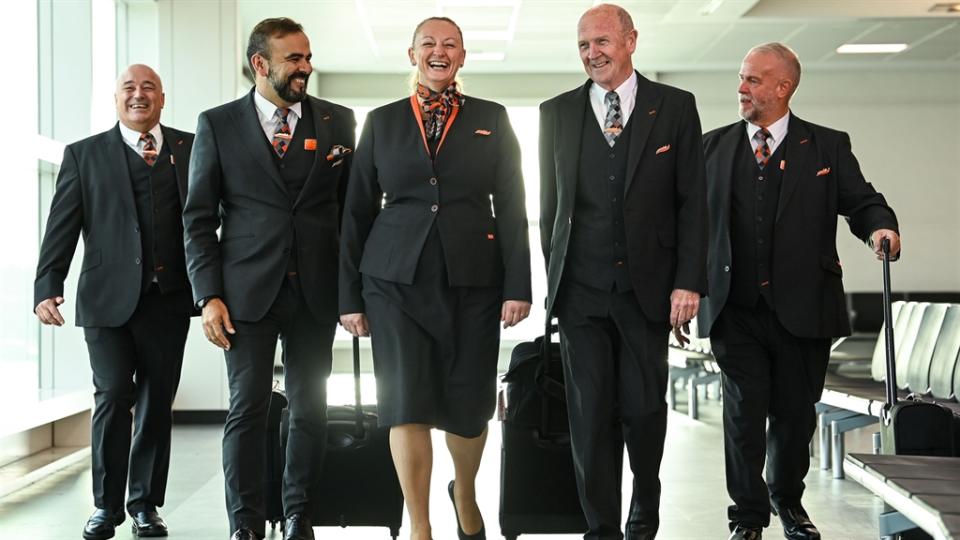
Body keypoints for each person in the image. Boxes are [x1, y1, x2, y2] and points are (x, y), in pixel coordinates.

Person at [697, 43, 901, 540]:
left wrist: (881, 229)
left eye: (752, 80)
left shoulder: (827, 147)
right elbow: (685, 225)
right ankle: (746, 518)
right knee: (744, 414)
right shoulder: (711, 147)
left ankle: (786, 500)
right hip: (734, 307)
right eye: (741, 79)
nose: (741, 89)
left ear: (782, 87)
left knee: (793, 417)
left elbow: (863, 201)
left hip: (805, 308)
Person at [339, 16, 532, 540]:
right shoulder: (381, 122)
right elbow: (355, 212)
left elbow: (512, 206)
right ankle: (420, 526)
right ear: (412, 55)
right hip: (392, 282)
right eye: (429, 44)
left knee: (469, 405)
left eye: (450, 45)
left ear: (463, 57)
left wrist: (519, 285)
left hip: (474, 280)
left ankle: (464, 491)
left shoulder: (492, 117)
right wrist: (348, 297)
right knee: (406, 403)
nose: (439, 52)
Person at [182, 17, 356, 540]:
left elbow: (351, 215)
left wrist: (354, 294)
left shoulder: (338, 121)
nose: (306, 67)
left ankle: (299, 514)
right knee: (247, 409)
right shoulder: (217, 124)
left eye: (307, 57)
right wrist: (208, 295)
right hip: (244, 294)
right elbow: (198, 217)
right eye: (294, 60)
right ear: (261, 65)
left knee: (310, 408)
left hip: (316, 291)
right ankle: (247, 523)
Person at [539, 4, 708, 539]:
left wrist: (688, 281)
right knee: (588, 420)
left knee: (643, 412)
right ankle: (601, 530)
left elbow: (693, 204)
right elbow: (551, 208)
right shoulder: (556, 112)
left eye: (603, 42)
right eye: (584, 44)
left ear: (631, 41)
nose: (593, 53)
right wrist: (557, 278)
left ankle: (644, 517)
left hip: (648, 291)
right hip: (581, 292)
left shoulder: (675, 107)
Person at [34, 64, 195, 540]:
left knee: (155, 403)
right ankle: (106, 507)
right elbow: (61, 224)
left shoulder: (192, 149)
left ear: (162, 99)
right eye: (130, 88)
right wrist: (48, 283)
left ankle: (146, 505)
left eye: (149, 88)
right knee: (111, 396)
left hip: (168, 299)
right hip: (105, 300)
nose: (139, 95)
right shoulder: (84, 155)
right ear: (116, 98)